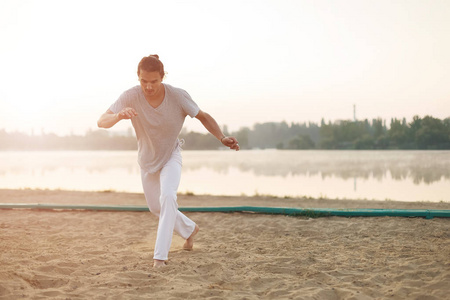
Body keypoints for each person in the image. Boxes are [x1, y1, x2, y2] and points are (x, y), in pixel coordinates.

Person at [97, 54, 239, 268]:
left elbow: (203, 116)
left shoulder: (177, 96)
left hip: (171, 155)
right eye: (144, 81)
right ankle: (190, 229)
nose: (149, 87)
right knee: (156, 208)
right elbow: (101, 121)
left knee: (168, 197)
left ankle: (159, 258)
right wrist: (118, 116)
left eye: (154, 81)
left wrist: (221, 137)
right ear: (138, 78)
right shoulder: (130, 96)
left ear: (162, 78)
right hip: (147, 160)